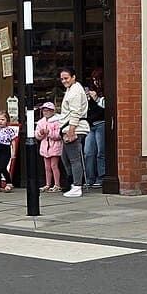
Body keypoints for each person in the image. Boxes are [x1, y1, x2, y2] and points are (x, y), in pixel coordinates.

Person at [57, 68, 90, 198]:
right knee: (65, 158)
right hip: (69, 127)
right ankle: (73, 183)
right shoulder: (72, 89)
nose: (64, 81)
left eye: (66, 78)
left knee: (74, 159)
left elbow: (75, 112)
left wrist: (71, 132)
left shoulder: (75, 92)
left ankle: (77, 186)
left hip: (75, 128)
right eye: (62, 79)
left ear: (73, 77)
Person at [83, 70, 107, 188]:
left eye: (97, 80)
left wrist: (97, 98)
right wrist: (86, 99)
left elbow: (106, 106)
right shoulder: (90, 90)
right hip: (90, 125)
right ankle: (89, 177)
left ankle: (101, 177)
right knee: (88, 152)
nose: (95, 82)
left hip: (101, 123)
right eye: (93, 80)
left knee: (100, 152)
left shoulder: (106, 90)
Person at [33, 102, 64, 193]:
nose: (45, 112)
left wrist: (49, 133)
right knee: (47, 167)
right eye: (44, 110)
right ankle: (48, 184)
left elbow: (58, 135)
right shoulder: (40, 122)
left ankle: (57, 184)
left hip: (54, 146)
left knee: (54, 165)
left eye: (48, 110)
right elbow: (37, 135)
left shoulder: (57, 120)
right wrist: (41, 133)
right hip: (45, 147)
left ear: (53, 111)